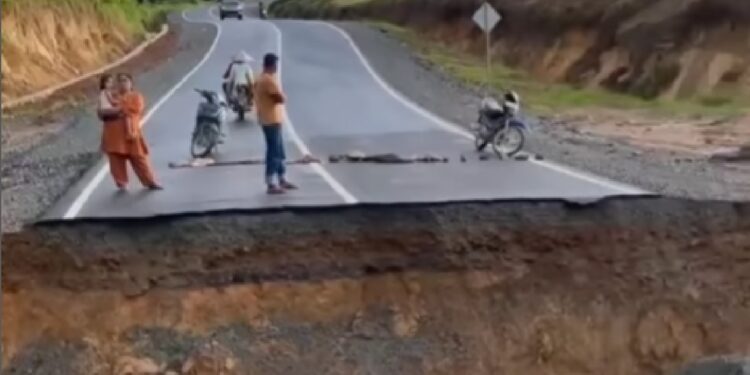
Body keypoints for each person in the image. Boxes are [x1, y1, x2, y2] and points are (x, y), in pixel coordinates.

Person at [100, 72, 162, 191]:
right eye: (120, 81)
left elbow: (135, 109)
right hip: (113, 135)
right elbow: (102, 113)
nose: (122, 84)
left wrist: (116, 110)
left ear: (131, 83)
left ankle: (150, 182)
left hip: (132, 134)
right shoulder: (109, 96)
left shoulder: (136, 96)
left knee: (140, 158)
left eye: (125, 80)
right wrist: (118, 110)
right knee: (116, 160)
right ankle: (121, 183)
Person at [255, 53, 297, 195]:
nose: (276, 68)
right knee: (274, 152)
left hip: (270, 119)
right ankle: (271, 183)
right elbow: (279, 98)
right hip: (270, 120)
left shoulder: (261, 78)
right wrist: (283, 96)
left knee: (279, 151)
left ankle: (281, 178)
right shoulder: (268, 80)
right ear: (272, 65)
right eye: (275, 65)